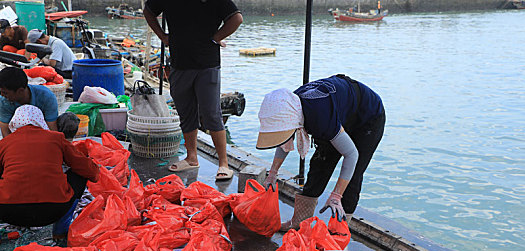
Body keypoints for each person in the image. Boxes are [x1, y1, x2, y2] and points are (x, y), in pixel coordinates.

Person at [256, 74, 385, 231]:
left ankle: (339, 234)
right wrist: (272, 173)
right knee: (320, 164)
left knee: (353, 175)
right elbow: (285, 139)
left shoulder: (319, 117)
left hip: (367, 118)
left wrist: (337, 195)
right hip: (338, 111)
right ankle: (299, 223)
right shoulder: (291, 104)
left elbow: (351, 155)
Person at [143, 0, 243, 181]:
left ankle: (224, 164)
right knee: (185, 111)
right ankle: (191, 157)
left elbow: (236, 18)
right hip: (179, 64)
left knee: (211, 112)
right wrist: (162, 36)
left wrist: (216, 38)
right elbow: (148, 12)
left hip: (208, 64)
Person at [0, 105, 99, 238]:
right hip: (53, 210)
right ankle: (60, 232)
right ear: (40, 121)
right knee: (80, 173)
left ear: (15, 122)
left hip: (8, 212)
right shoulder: (56, 138)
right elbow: (89, 170)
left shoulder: (4, 143)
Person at [0, 66, 59, 137]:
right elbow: (6, 134)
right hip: (17, 138)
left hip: (42, 135)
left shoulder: (46, 96)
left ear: (20, 91)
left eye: (5, 93)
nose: (2, 95)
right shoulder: (3, 101)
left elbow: (52, 130)